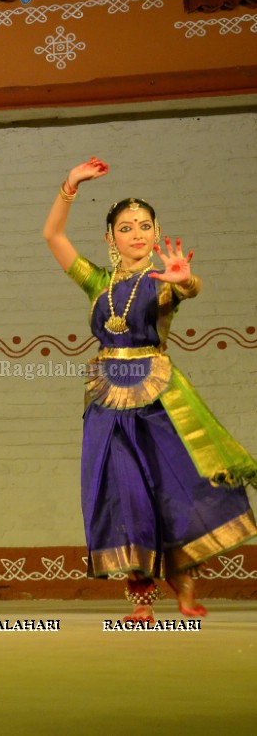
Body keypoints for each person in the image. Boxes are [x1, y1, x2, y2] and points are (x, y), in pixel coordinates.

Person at [43, 158, 256, 622]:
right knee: (126, 495)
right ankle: (140, 599)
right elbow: (53, 238)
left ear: (156, 233)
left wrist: (187, 280)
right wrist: (70, 186)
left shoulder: (162, 280)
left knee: (174, 490)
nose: (136, 234)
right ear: (110, 238)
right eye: (125, 227)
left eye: (144, 226)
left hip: (160, 401)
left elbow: (187, 288)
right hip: (106, 404)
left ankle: (185, 589)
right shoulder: (97, 283)